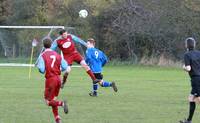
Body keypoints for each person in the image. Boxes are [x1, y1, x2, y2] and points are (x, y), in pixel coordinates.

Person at [37, 38, 68, 123]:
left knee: (48, 102)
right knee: (53, 100)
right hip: (58, 79)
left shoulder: (42, 55)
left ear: (43, 45)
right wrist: (57, 69)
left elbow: (42, 70)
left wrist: (39, 68)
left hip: (50, 80)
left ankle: (62, 104)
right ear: (51, 45)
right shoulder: (57, 54)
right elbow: (65, 67)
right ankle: (57, 119)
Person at [180, 37, 200, 123]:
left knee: (198, 99)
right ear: (194, 45)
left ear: (186, 45)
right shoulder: (199, 53)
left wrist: (183, 67)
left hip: (196, 79)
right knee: (191, 98)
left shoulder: (187, 55)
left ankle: (189, 120)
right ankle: (189, 120)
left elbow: (188, 68)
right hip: (198, 78)